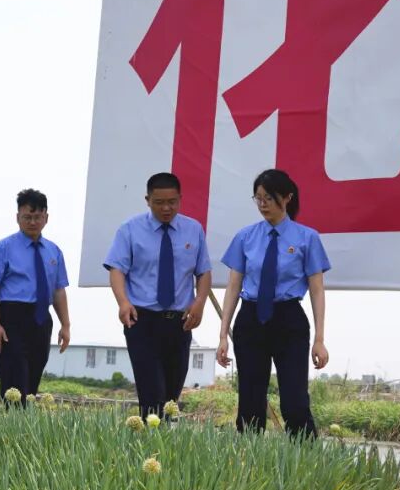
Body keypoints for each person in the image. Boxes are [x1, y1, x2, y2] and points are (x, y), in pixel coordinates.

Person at [216, 169, 330, 438]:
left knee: (295, 400)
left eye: (269, 198)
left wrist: (320, 339)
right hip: (251, 318)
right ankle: (249, 456)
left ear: (287, 197)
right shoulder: (245, 237)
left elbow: (317, 290)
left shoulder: (307, 238)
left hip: (289, 318)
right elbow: (233, 287)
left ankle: (305, 456)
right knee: (250, 399)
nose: (263, 204)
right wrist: (222, 335)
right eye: (258, 198)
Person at [104, 172, 212, 418]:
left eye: (172, 202)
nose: (166, 208)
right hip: (142, 321)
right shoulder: (130, 229)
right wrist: (123, 302)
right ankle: (148, 437)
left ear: (180, 199)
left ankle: (162, 439)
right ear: (147, 200)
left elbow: (203, 272)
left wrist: (199, 303)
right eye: (159, 202)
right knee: (151, 395)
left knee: (171, 396)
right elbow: (117, 269)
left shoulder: (193, 229)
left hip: (179, 323)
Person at [0, 189, 71, 403]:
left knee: (32, 382)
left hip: (41, 319)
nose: (32, 222)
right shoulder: (3, 248)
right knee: (15, 382)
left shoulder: (54, 251)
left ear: (46, 218)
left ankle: (25, 422)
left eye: (37, 217)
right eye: (27, 217)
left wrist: (65, 325)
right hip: (12, 317)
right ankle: (11, 421)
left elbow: (58, 290)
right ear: (17, 217)